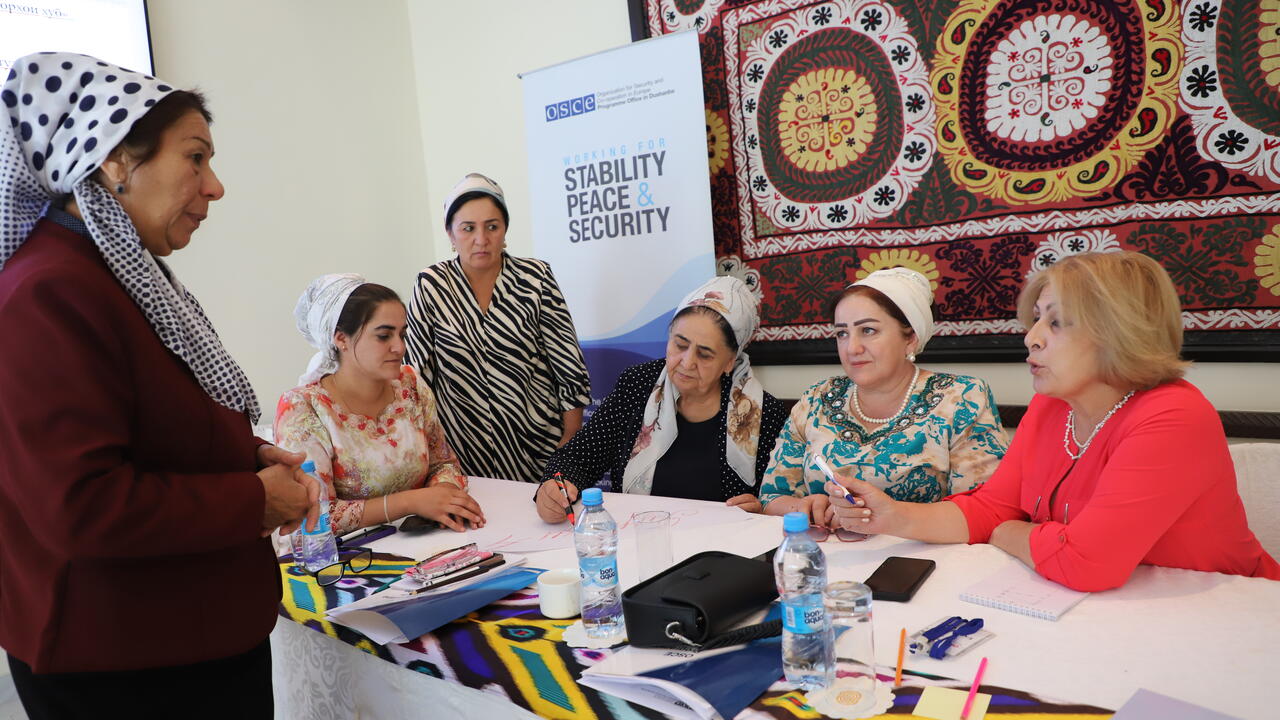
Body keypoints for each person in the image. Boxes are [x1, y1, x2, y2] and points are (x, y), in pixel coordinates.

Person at [0, 53, 318, 715]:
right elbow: (82, 506)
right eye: (195, 158)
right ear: (114, 159)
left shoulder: (120, 276)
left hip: (183, 645)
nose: (215, 187)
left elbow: (153, 427)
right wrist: (251, 501)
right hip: (128, 670)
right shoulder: (48, 293)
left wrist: (247, 458)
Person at [829, 252, 1280, 591]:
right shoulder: (1052, 406)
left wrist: (1010, 532)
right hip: (1113, 612)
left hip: (1226, 613)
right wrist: (891, 516)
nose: (1032, 337)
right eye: (1037, 318)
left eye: (1057, 322)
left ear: (1120, 331)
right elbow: (989, 509)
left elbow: (1085, 563)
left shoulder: (1174, 417)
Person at [760, 267, 1008, 527]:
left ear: (910, 338)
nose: (851, 348)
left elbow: (986, 509)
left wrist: (889, 516)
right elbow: (770, 497)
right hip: (826, 556)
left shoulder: (961, 399)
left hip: (922, 561)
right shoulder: (816, 399)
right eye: (842, 333)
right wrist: (807, 507)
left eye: (868, 330)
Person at [536, 276, 788, 521]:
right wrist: (555, 486)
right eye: (680, 345)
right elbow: (580, 456)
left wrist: (763, 512)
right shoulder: (638, 385)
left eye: (705, 354)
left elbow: (780, 499)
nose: (687, 362)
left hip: (719, 553)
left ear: (730, 362)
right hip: (639, 539)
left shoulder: (765, 414)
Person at [405, 173, 591, 483]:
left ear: (504, 231)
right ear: (450, 234)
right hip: (461, 450)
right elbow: (417, 375)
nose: (481, 239)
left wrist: (570, 437)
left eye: (492, 226)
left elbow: (567, 361)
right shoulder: (431, 285)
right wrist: (427, 453)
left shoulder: (535, 278)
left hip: (537, 444)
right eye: (468, 228)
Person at [275, 275, 485, 534]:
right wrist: (410, 502)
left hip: (425, 541)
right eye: (384, 336)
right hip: (350, 564)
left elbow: (443, 463)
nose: (399, 347)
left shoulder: (410, 385)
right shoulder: (303, 408)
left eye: (402, 334)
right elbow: (313, 515)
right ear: (340, 339)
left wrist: (445, 493)